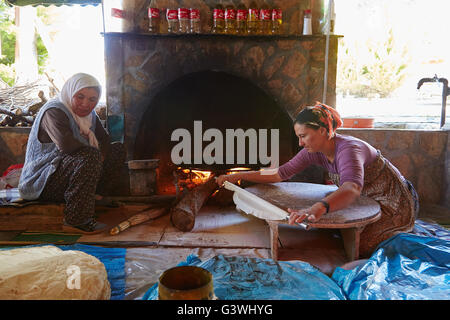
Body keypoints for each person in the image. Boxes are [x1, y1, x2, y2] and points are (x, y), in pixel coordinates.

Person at [216, 102, 419, 257]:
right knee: (332, 234)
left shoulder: (348, 149)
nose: (300, 143)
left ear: (322, 131)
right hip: (364, 200)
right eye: (298, 137)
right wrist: (237, 176)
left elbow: (352, 188)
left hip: (394, 202)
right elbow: (279, 174)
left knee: (361, 246)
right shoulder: (313, 150)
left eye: (303, 136)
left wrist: (317, 208)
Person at [19, 73, 126, 234]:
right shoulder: (54, 111)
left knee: (116, 149)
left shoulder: (90, 115)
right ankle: (76, 219)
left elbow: (104, 140)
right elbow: (67, 145)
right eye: (80, 97)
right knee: (90, 155)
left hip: (68, 175)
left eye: (92, 99)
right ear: (70, 92)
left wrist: (102, 157)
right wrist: (96, 156)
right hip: (43, 181)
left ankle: (93, 196)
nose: (85, 104)